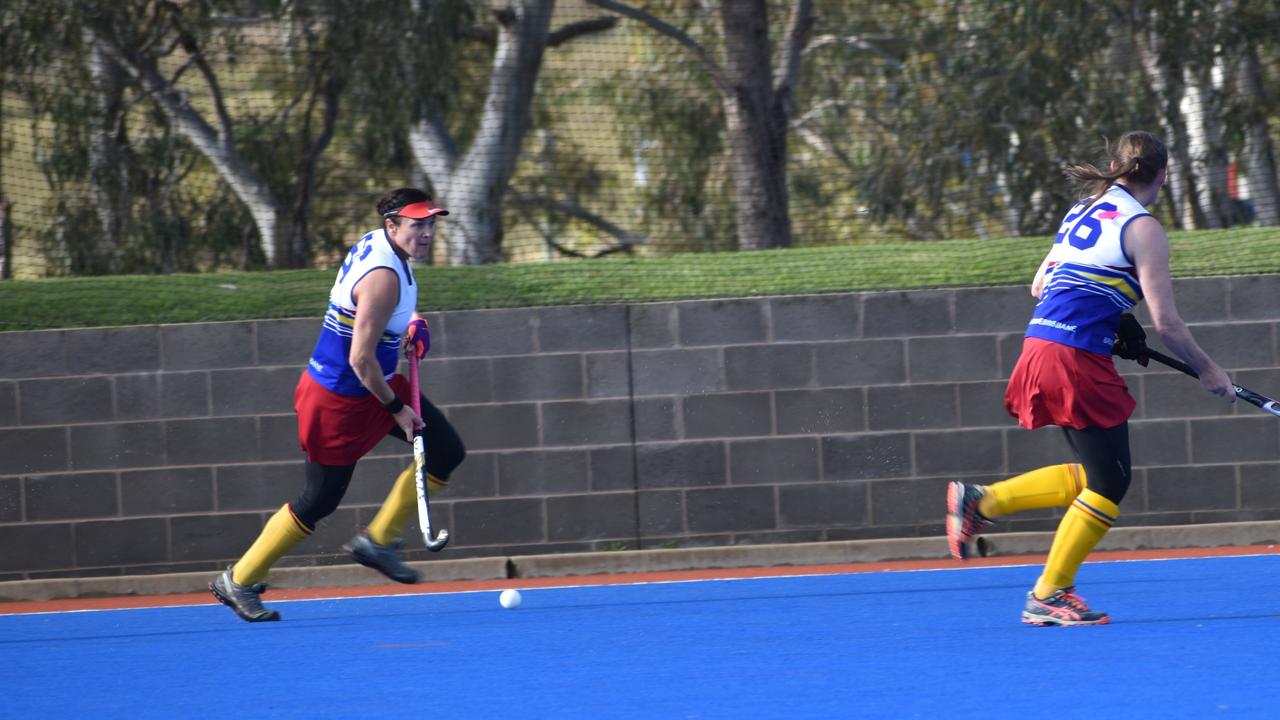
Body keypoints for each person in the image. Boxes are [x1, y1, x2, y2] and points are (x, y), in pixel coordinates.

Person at [946, 131, 1235, 626]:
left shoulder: (1085, 208)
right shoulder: (1144, 228)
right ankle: (1048, 593)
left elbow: (1041, 285)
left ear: (1115, 166)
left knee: (1099, 475)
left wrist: (1116, 321)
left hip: (1041, 346)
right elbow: (1167, 323)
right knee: (1111, 483)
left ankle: (984, 501)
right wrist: (1210, 370)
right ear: (1163, 175)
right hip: (1074, 356)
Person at [211, 187, 466, 622]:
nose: (426, 233)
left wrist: (414, 323)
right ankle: (238, 579)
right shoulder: (383, 275)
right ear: (392, 225)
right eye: (416, 225)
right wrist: (396, 410)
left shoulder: (383, 245)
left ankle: (378, 541)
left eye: (430, 224)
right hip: (342, 396)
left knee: (446, 450)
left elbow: (390, 312)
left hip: (374, 383)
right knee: (319, 499)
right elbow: (360, 357)